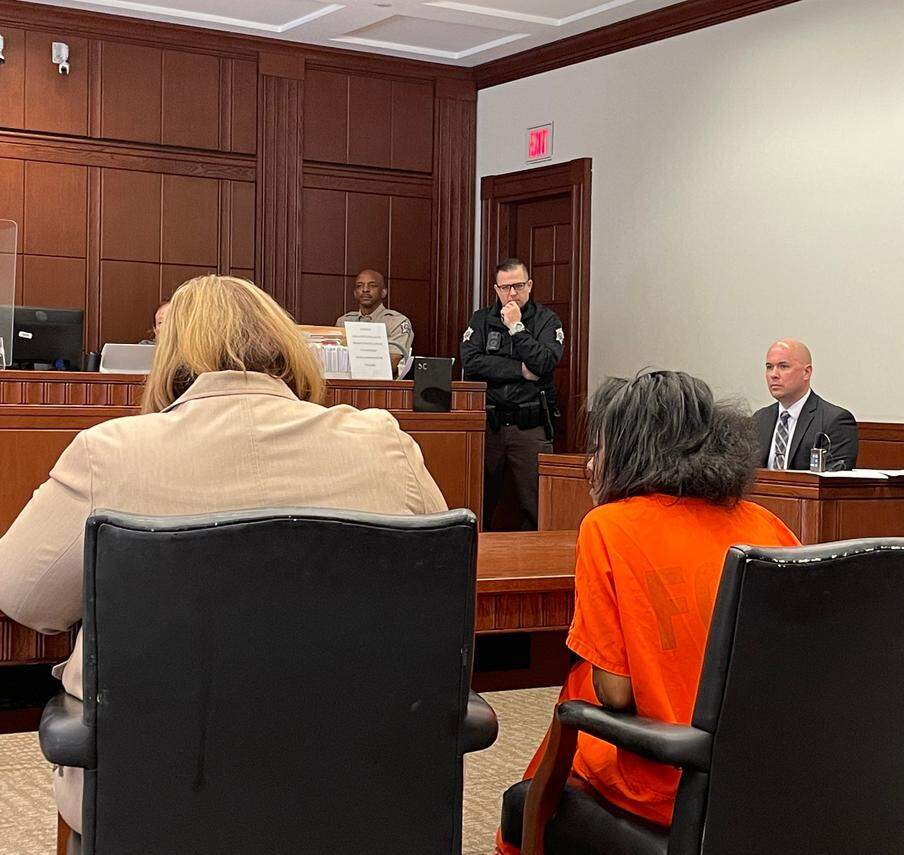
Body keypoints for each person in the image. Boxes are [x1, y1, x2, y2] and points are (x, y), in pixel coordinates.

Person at [0, 274, 446, 846]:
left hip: (153, 791)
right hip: (355, 787)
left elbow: (20, 592)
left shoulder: (110, 452)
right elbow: (437, 599)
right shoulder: (385, 444)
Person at [493, 371, 800, 854]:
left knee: (551, 755)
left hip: (671, 789)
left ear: (626, 450)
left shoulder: (609, 527)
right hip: (773, 785)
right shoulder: (765, 523)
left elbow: (614, 692)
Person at [460, 258, 563, 531]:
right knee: (479, 501)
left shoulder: (546, 320)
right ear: (496, 289)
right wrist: (519, 368)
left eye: (518, 285)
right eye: (506, 288)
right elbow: (471, 362)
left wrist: (517, 328)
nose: (512, 293)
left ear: (529, 285)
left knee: (536, 505)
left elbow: (543, 363)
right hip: (488, 425)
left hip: (529, 425)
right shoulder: (482, 319)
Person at [751, 339, 858, 471]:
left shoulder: (835, 421)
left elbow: (832, 484)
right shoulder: (759, 419)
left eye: (783, 366)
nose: (774, 374)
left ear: (806, 372)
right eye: (769, 367)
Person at [335, 268, 414, 374]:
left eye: (372, 285)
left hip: (381, 386)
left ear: (383, 292)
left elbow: (392, 364)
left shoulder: (397, 322)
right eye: (360, 286)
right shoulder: (343, 322)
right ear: (355, 293)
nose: (365, 289)